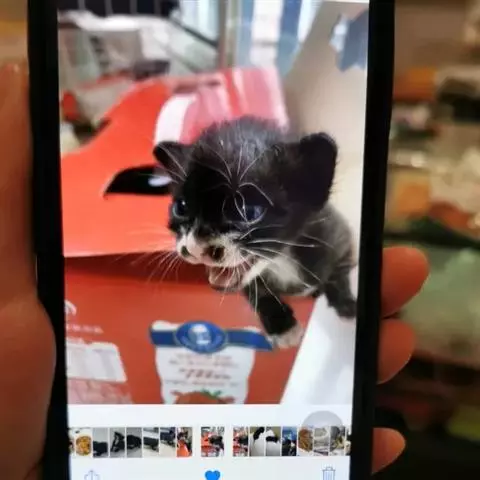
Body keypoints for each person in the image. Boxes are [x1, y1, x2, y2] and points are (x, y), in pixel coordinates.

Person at [0, 63, 429, 479]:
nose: (198, 247)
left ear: (308, 188)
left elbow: (341, 256)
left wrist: (339, 293)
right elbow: (243, 275)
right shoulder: (240, 255)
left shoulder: (328, 236)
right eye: (184, 208)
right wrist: (273, 313)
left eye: (246, 210)